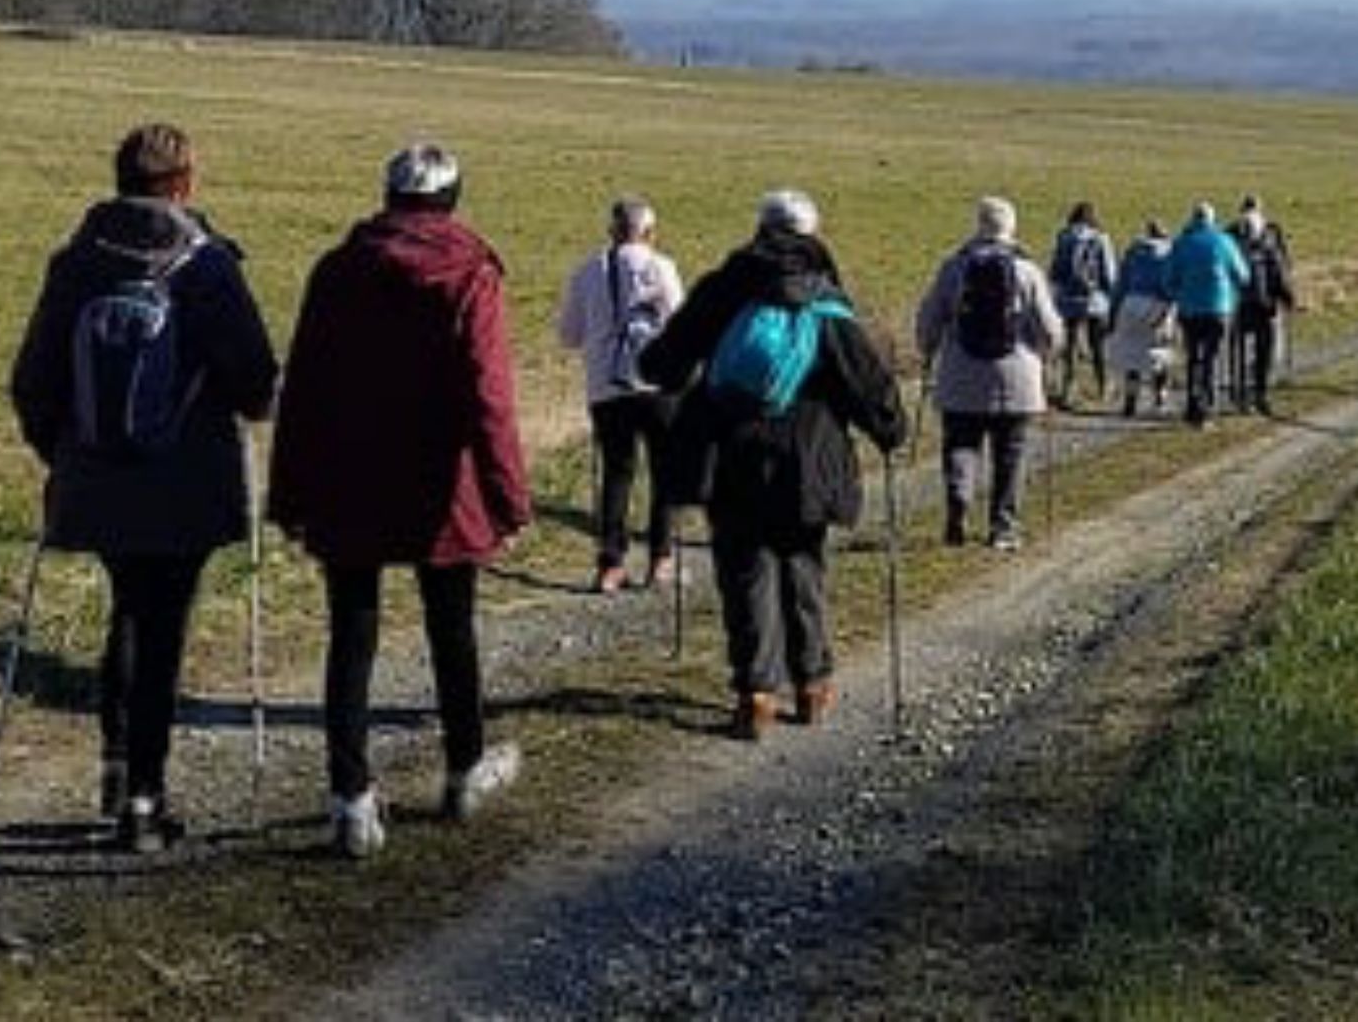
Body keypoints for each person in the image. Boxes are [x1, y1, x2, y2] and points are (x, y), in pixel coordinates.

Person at [10, 122, 279, 852]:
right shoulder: (207, 265)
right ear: (185, 184)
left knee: (127, 609)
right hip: (185, 483)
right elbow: (256, 382)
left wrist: (67, 455)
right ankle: (143, 799)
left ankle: (116, 767)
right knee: (162, 628)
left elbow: (32, 382)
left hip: (95, 477)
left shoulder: (75, 262)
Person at [268, 142, 532, 859]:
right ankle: (464, 769)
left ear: (387, 196)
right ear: (452, 198)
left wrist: (288, 494)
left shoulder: (337, 269)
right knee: (452, 627)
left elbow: (305, 387)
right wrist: (507, 498)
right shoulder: (471, 273)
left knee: (351, 634)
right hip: (441, 483)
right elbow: (489, 395)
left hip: (347, 476)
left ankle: (350, 799)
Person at [638, 190, 905, 740]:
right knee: (803, 562)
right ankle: (811, 685)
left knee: (745, 569)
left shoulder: (724, 287)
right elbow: (869, 385)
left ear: (760, 230)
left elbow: (662, 363)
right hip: (809, 457)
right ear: (812, 235)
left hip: (730, 452)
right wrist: (890, 430)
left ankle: (756, 695)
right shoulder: (826, 300)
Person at [915, 197, 1063, 551]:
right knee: (1010, 454)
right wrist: (1049, 351)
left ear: (978, 225)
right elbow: (1049, 329)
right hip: (1017, 381)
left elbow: (929, 320)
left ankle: (959, 505)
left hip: (961, 377)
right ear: (1011, 227)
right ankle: (1003, 527)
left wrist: (928, 349)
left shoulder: (953, 267)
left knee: (960, 446)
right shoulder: (1027, 271)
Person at [558, 197, 686, 593]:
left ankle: (610, 564)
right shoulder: (661, 267)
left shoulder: (586, 272)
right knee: (665, 471)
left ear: (611, 231)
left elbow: (569, 335)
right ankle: (661, 559)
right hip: (656, 384)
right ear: (649, 232)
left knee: (617, 472)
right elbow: (680, 323)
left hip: (606, 386)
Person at [1162, 202, 1250, 429]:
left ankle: (1192, 406)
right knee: (1212, 357)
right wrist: (1232, 290)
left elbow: (1167, 279)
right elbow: (1243, 275)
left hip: (1189, 310)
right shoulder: (1224, 241)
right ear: (1212, 219)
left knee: (1193, 357)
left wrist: (1179, 294)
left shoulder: (1182, 243)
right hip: (1219, 308)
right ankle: (1208, 407)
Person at [1046, 201, 1118, 407]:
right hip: (1095, 300)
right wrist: (1110, 295)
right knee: (1097, 346)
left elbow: (1055, 270)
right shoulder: (1100, 238)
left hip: (1068, 299)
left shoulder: (1064, 237)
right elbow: (1108, 273)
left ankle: (1068, 387)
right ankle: (1103, 387)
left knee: (1070, 347)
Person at [1227, 196, 1294, 415]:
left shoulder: (1231, 233)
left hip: (1237, 301)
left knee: (1238, 350)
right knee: (1264, 349)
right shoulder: (1270, 234)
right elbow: (1279, 269)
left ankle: (1239, 394)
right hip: (1264, 303)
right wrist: (1287, 297)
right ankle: (1260, 393)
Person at [1106, 220, 1177, 417]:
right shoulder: (1169, 253)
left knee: (1132, 352)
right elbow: (1172, 283)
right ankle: (1160, 400)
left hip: (1131, 302)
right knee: (1159, 353)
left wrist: (1113, 312)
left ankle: (1130, 400)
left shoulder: (1133, 252)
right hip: (1158, 302)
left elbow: (1121, 283)